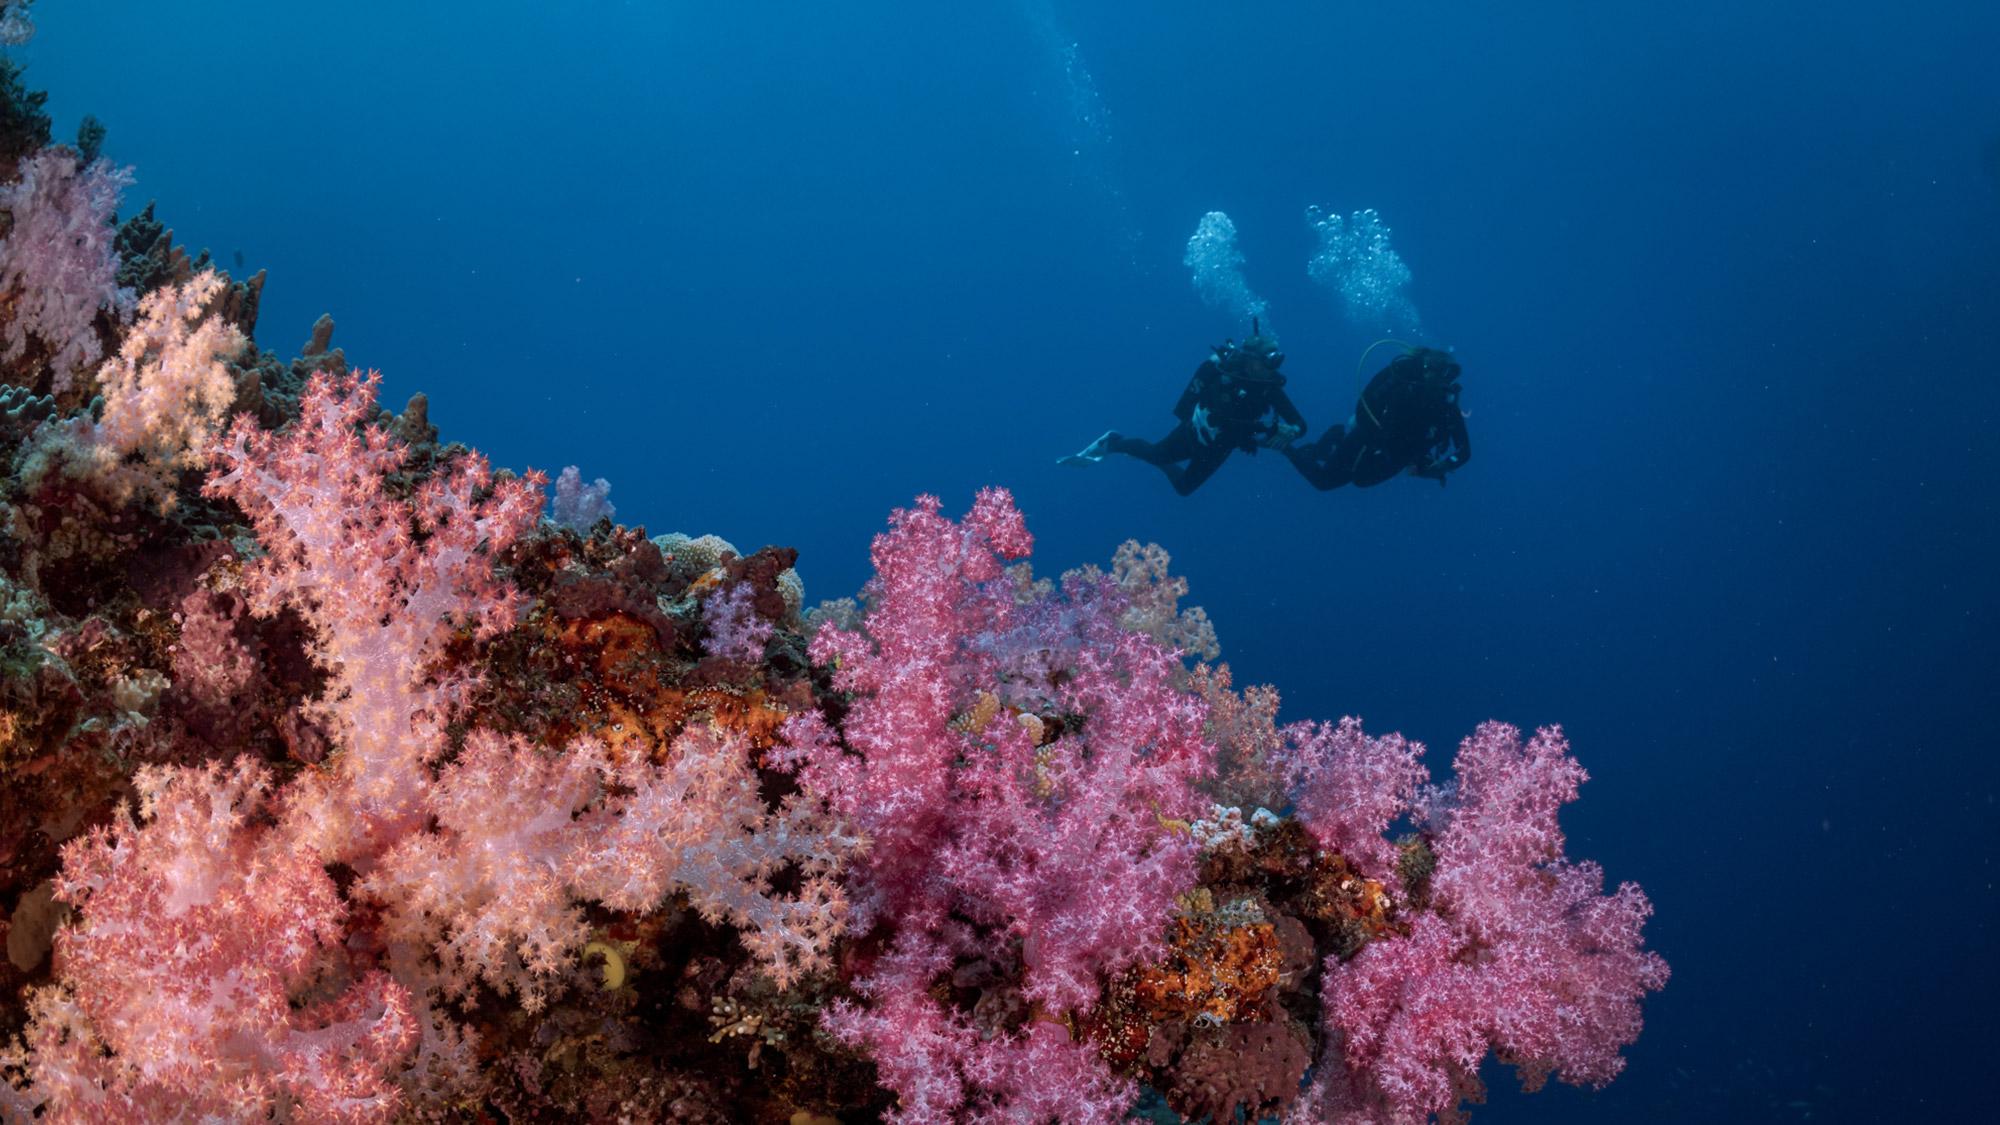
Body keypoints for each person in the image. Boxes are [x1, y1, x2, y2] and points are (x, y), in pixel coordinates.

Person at [1060, 324, 1307, 496]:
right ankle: (1114, 442)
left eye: (1275, 362)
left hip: (1221, 446)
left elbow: (1300, 424)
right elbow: (1188, 403)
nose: (1271, 369)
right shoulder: (1223, 373)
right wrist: (1196, 417)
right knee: (1157, 453)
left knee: (1184, 489)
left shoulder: (1269, 388)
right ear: (1251, 359)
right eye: (1267, 361)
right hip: (1195, 431)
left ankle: (1145, 456)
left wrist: (1291, 431)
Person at [1285, 344, 1470, 490]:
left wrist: (1444, 466)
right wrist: (1374, 441)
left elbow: (1464, 450)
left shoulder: (1446, 406)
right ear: (1427, 370)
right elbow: (1365, 408)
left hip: (1397, 454)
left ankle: (1333, 442)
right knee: (1324, 481)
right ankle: (1286, 447)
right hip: (1371, 438)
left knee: (1361, 481)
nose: (1443, 383)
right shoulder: (1404, 389)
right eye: (1439, 374)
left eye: (1448, 378)